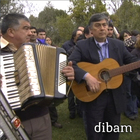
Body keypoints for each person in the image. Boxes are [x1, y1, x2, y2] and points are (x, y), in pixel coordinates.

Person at [0, 13, 74, 140]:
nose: (31, 33)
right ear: (11, 31)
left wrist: (66, 75)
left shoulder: (37, 50)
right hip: (9, 122)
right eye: (26, 28)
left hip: (42, 118)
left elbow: (53, 80)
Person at [68, 13, 139, 140]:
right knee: (94, 134)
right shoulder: (82, 45)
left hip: (114, 97)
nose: (102, 28)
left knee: (112, 133)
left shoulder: (118, 45)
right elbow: (70, 64)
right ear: (91, 30)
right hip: (92, 96)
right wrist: (87, 76)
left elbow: (132, 62)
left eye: (104, 25)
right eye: (98, 25)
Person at [62, 29, 83, 119]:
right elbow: (65, 57)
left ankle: (79, 111)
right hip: (70, 72)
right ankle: (72, 112)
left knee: (79, 93)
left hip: (79, 72)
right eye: (78, 34)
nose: (79, 35)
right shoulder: (67, 46)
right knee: (70, 94)